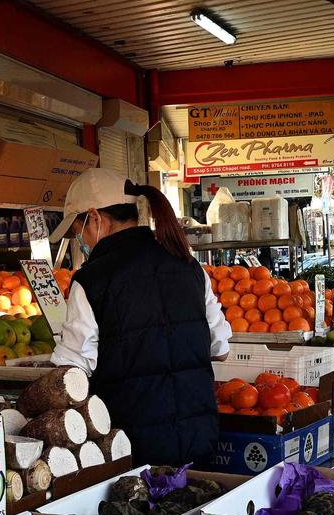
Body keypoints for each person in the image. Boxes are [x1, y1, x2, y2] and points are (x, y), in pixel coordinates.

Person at [49, 168, 231, 466]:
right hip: (200, 440)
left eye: (77, 231)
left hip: (130, 448)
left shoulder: (91, 280)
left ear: (95, 218)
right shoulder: (189, 267)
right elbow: (220, 350)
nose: (80, 240)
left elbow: (71, 373)